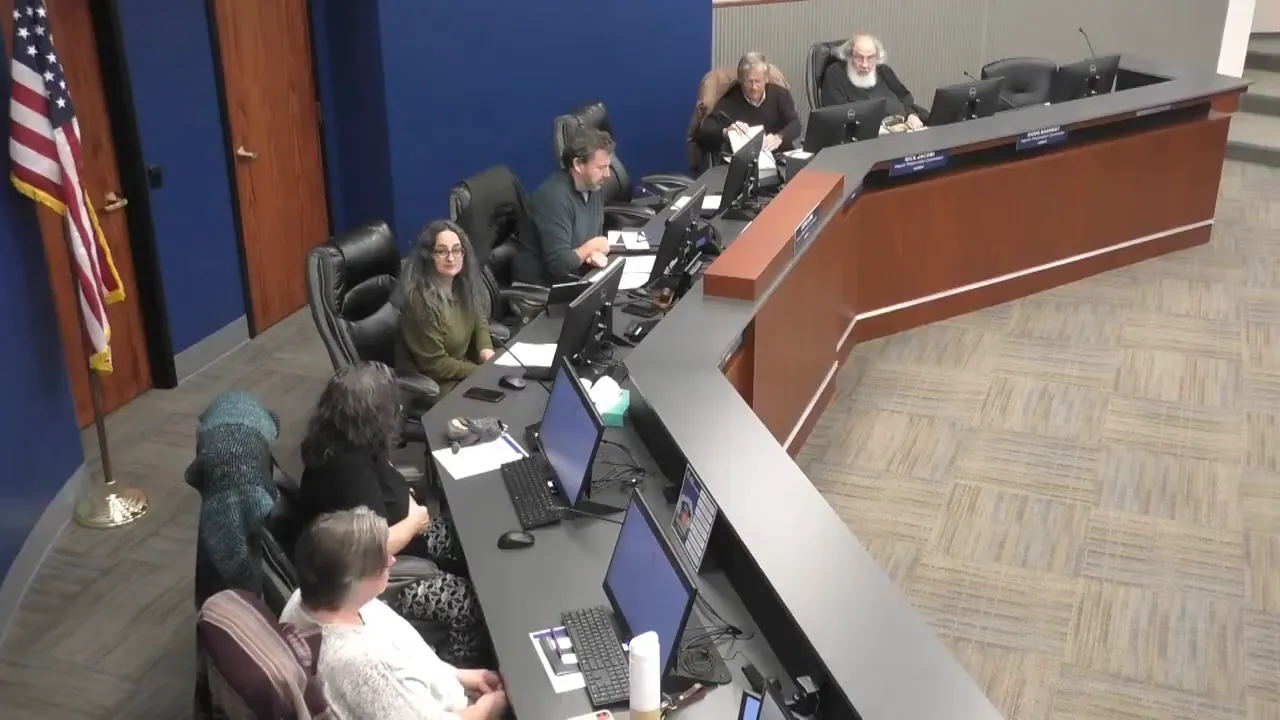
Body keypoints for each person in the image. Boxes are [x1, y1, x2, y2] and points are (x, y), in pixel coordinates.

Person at [294, 361, 487, 666]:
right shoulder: (346, 475)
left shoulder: (342, 439)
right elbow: (375, 546)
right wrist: (414, 522)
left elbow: (388, 484)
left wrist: (411, 509)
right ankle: (460, 668)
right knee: (467, 602)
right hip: (371, 576)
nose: (397, 412)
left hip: (401, 534)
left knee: (472, 542)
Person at [283, 508, 509, 720]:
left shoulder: (316, 596)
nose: (392, 560)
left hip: (454, 692)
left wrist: (464, 676)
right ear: (351, 581)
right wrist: (491, 707)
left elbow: (411, 657)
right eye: (381, 561)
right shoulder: (361, 667)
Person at [398, 220, 495, 395]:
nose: (451, 258)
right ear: (428, 255)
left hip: (462, 371)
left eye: (457, 250)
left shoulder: (461, 284)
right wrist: (481, 372)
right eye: (442, 251)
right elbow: (436, 365)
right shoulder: (418, 301)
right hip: (437, 386)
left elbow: (478, 318)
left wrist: (486, 350)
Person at [511, 127, 614, 286]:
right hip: (543, 291)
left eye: (608, 166)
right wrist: (592, 247)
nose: (607, 174)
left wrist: (592, 252)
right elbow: (560, 264)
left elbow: (591, 238)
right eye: (601, 167)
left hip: (578, 277)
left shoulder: (594, 187)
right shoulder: (553, 198)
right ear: (578, 164)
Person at [696, 52, 802, 154]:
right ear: (741, 80)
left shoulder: (780, 94)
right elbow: (704, 132)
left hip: (779, 157)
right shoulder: (730, 99)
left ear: (766, 79)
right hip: (746, 164)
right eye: (749, 82)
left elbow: (795, 124)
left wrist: (779, 137)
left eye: (758, 81)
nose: (754, 87)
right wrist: (726, 132)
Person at [820, 34, 925, 129]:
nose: (865, 65)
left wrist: (911, 115)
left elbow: (904, 96)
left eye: (870, 58)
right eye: (859, 58)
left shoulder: (883, 70)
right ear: (849, 56)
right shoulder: (835, 74)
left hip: (903, 128)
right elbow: (838, 114)